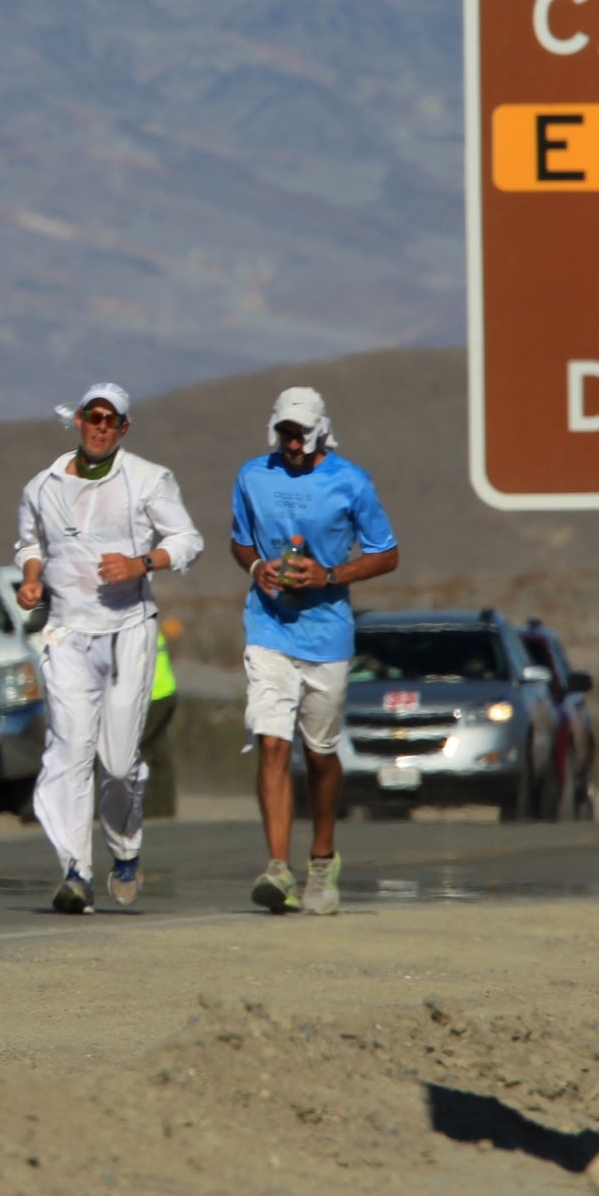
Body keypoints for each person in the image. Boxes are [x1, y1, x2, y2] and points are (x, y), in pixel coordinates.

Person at [15, 381, 202, 914]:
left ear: (123, 428)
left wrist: (141, 563)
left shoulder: (147, 480)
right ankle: (75, 870)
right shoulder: (43, 486)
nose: (100, 426)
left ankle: (125, 849)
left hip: (127, 631)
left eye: (110, 419)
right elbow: (31, 542)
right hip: (68, 635)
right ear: (78, 420)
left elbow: (187, 540)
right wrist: (32, 579)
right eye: (92, 416)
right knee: (70, 751)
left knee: (118, 763)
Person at [230, 385, 398, 915]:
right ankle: (278, 869)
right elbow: (239, 539)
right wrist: (258, 568)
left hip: (326, 635)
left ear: (320, 431)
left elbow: (387, 553)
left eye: (301, 434)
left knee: (320, 755)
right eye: (284, 433)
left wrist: (329, 575)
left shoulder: (351, 482)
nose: (293, 443)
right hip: (268, 629)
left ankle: (322, 858)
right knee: (272, 740)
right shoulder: (253, 476)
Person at [141, 621, 180, 819]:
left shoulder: (134, 630)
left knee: (139, 751)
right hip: (167, 693)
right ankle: (165, 809)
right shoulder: (151, 627)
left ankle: (147, 808)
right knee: (159, 751)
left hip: (151, 697)